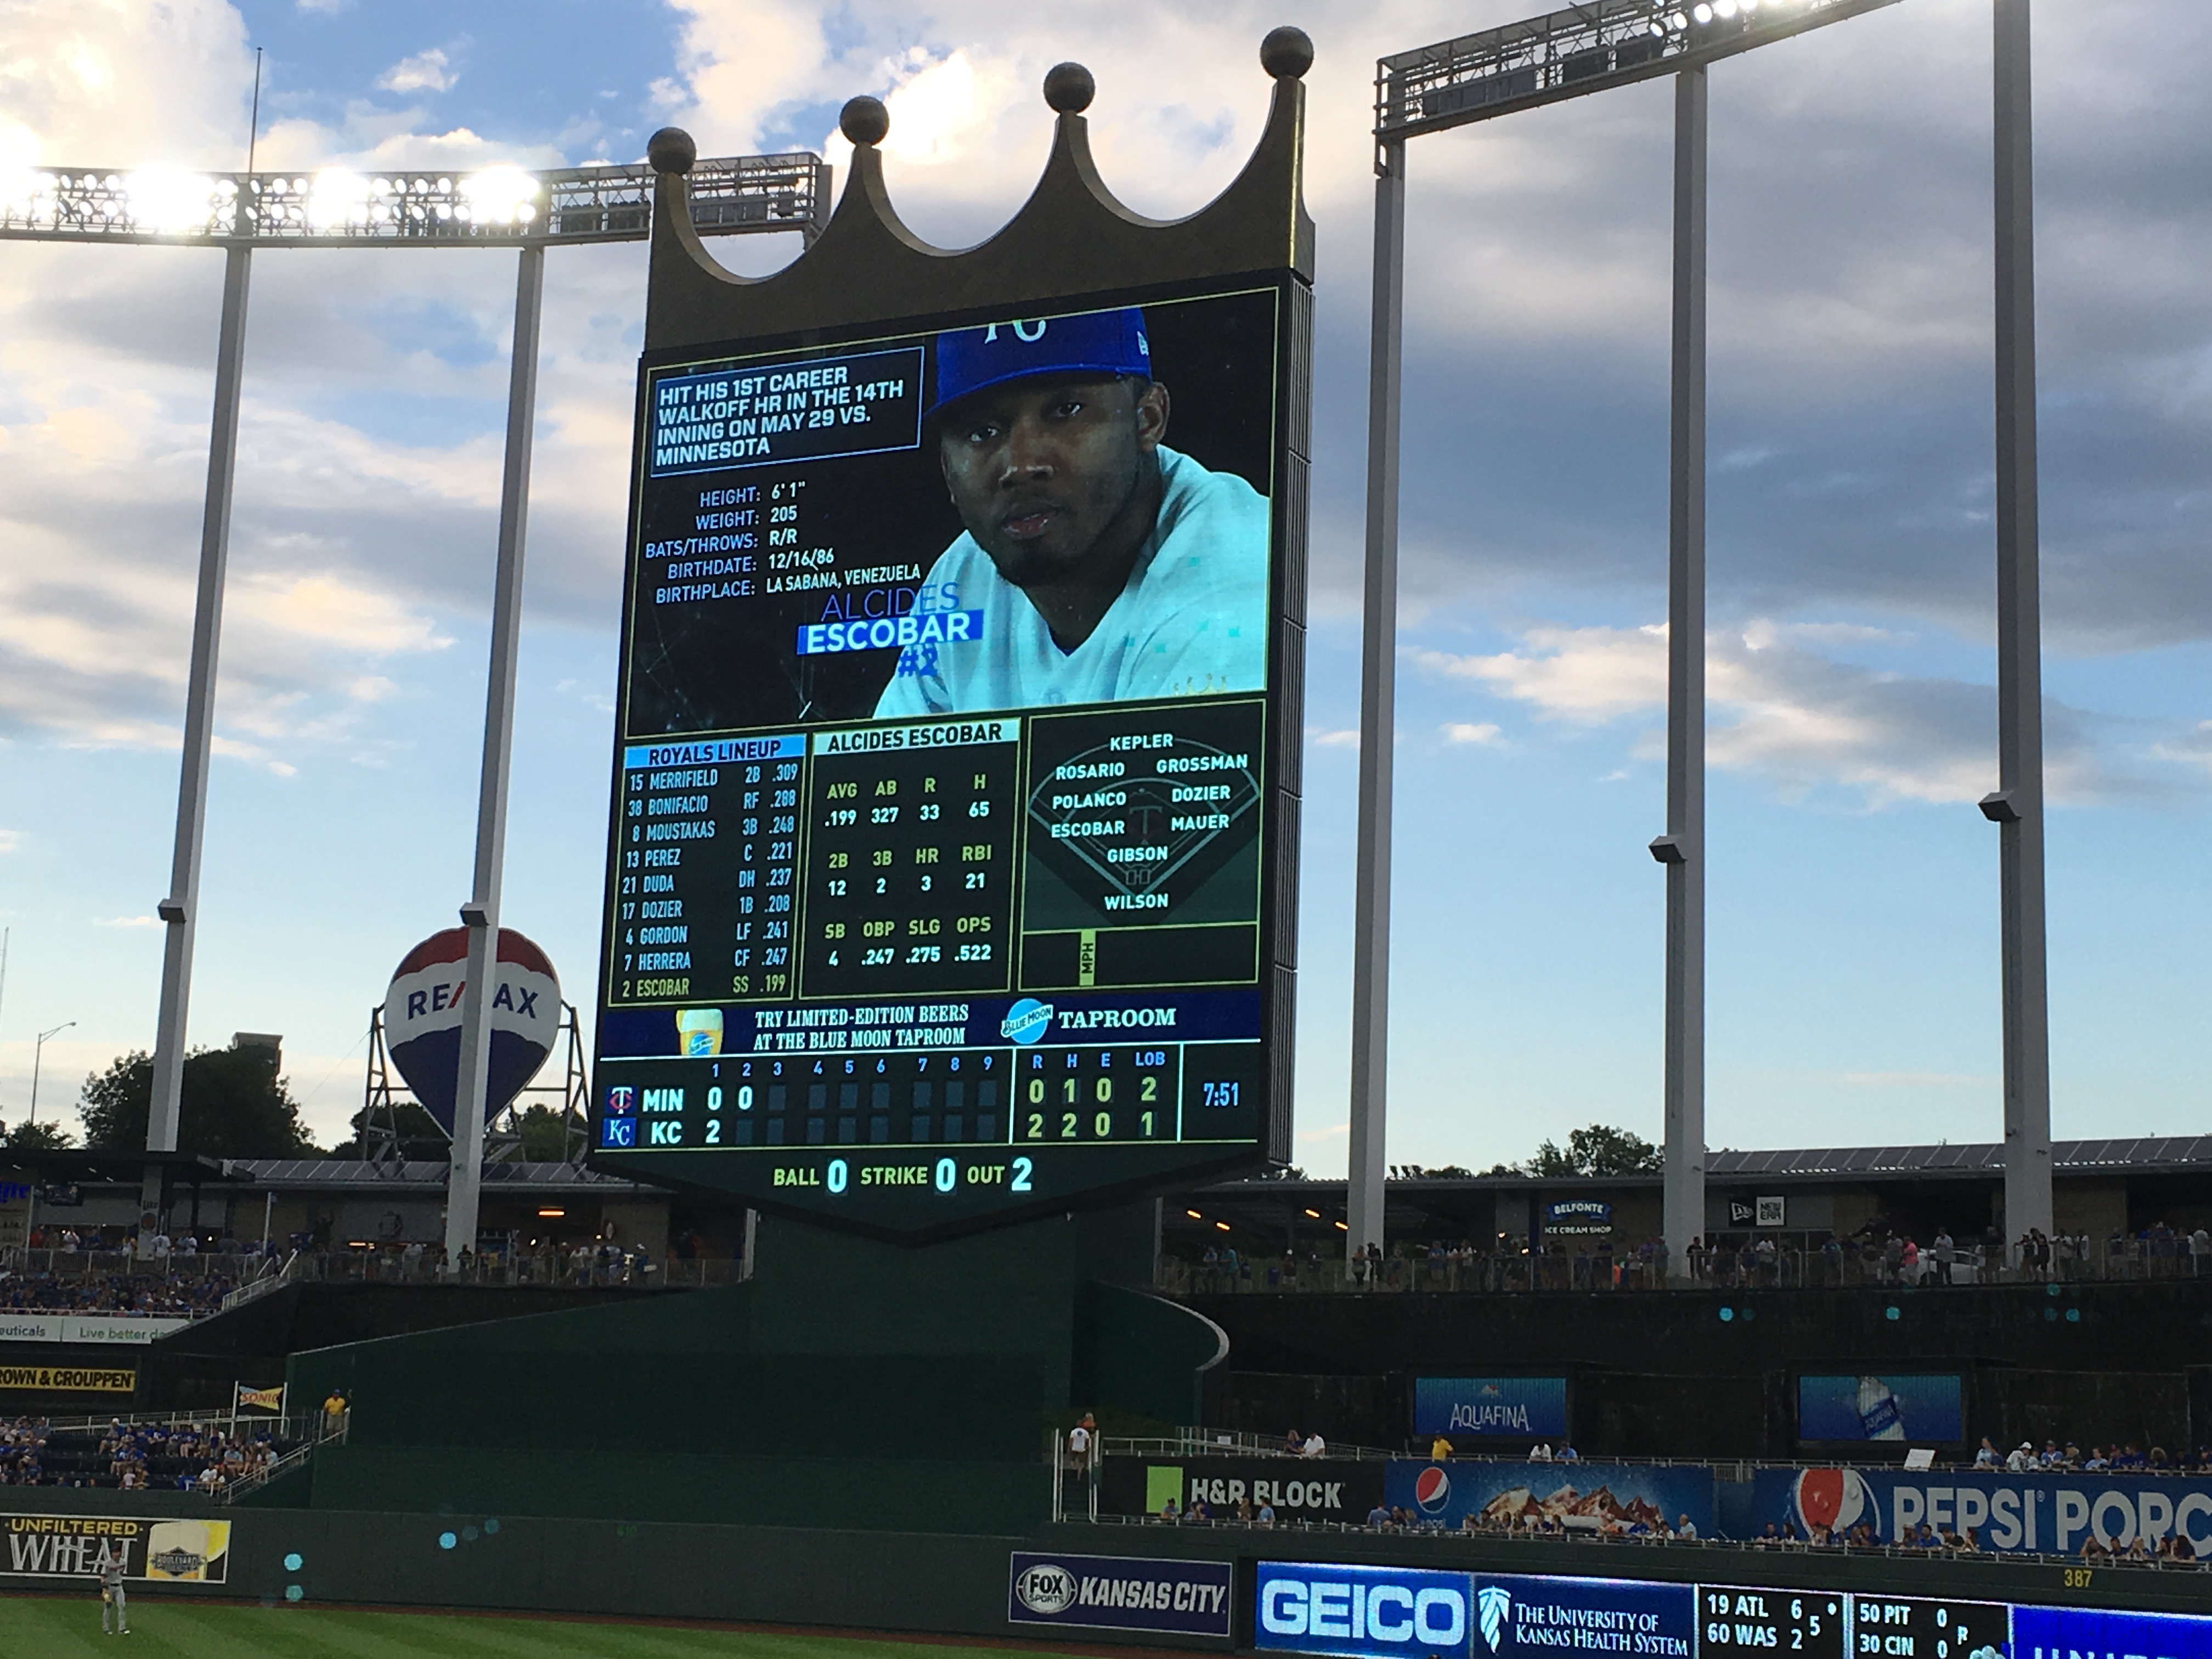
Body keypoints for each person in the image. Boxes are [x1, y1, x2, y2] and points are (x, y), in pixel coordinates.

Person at [874, 307, 1269, 719]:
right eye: (982, 432)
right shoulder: (962, 576)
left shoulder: (1239, 572)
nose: (1021, 466)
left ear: (1148, 419)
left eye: (1066, 411)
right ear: (947, 470)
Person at [99, 1555, 126, 1634]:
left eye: (117, 1552)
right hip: (108, 1588)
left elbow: (121, 1572)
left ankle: (122, 1628)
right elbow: (103, 1576)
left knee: (122, 1606)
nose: (116, 1554)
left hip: (119, 1587)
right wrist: (104, 1588)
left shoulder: (123, 1562)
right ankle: (106, 1628)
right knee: (108, 1606)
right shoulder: (108, 1563)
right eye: (114, 1553)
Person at [1068, 1412, 1094, 1479]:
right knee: (1082, 1462)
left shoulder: (1073, 1432)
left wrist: (1070, 1447)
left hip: (1074, 1448)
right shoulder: (1086, 1432)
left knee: (1072, 1458)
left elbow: (1071, 1441)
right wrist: (1088, 1448)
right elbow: (1087, 1441)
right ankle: (1080, 1471)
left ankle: (1074, 1468)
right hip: (1082, 1449)